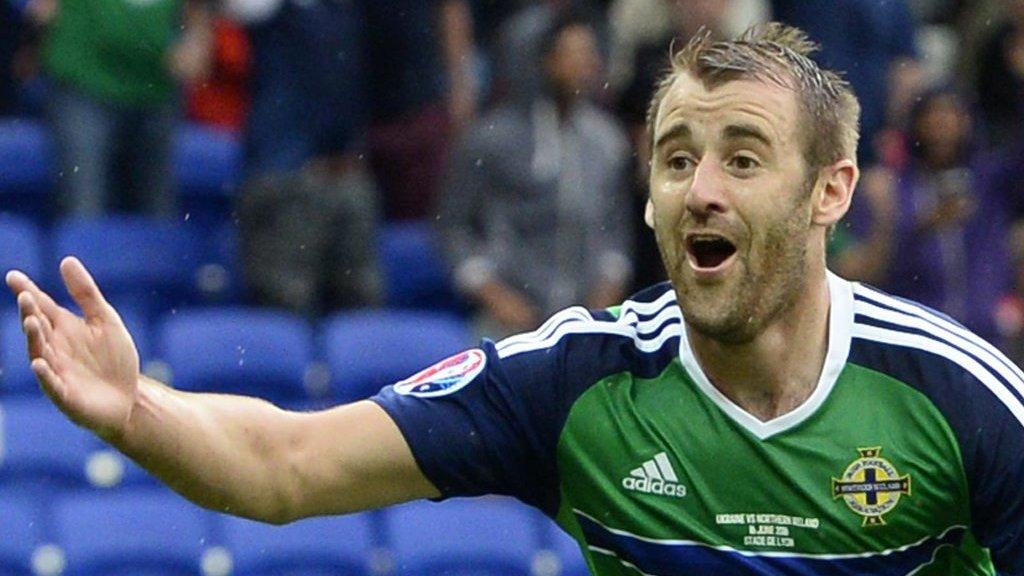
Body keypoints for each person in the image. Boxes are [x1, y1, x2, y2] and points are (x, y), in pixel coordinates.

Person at [6, 23, 1023, 574]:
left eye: (743, 158)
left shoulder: (959, 396)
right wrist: (136, 412)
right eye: (676, 159)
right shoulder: (573, 380)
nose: (700, 188)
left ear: (829, 192)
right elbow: (287, 466)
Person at [440, 11, 633, 336]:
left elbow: (617, 230)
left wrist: (606, 294)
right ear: (544, 61)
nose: (584, 66)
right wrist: (493, 295)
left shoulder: (607, 141)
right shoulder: (490, 140)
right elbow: (453, 227)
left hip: (586, 322)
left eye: (588, 54)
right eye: (571, 55)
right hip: (509, 319)